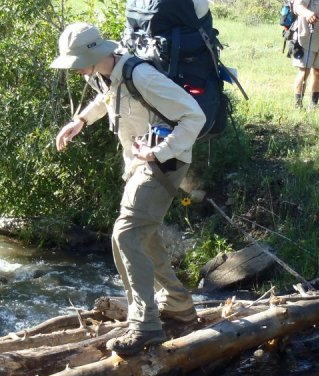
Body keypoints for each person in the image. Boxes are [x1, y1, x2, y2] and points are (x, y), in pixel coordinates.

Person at [52, 22, 206, 357]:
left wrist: (158, 152)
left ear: (96, 54)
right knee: (144, 235)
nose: (76, 70)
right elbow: (107, 98)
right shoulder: (106, 73)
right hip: (141, 164)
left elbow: (195, 116)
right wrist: (80, 121)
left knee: (125, 235)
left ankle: (145, 324)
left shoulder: (142, 76)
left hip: (164, 163)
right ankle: (178, 304)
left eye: (78, 62)